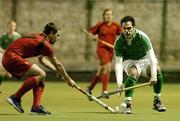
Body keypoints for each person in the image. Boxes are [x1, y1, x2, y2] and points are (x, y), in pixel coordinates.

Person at [2, 22, 76, 115]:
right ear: (51, 33)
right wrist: (68, 79)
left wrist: (56, 71)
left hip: (9, 57)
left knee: (41, 76)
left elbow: (42, 60)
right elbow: (58, 64)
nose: (58, 38)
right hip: (11, 58)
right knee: (41, 74)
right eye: (57, 35)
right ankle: (15, 98)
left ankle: (36, 107)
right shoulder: (45, 44)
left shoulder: (40, 38)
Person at [114, 16, 166, 114]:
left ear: (133, 27)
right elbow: (118, 63)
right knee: (133, 73)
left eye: (129, 28)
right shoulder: (119, 42)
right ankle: (127, 104)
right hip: (129, 61)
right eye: (124, 28)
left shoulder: (142, 37)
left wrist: (154, 76)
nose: (126, 31)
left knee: (158, 70)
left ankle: (157, 101)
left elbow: (152, 57)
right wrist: (119, 83)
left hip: (144, 59)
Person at [86, 8, 122, 99]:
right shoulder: (100, 25)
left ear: (112, 16)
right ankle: (104, 91)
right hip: (102, 49)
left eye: (110, 14)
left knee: (101, 70)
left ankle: (89, 88)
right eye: (107, 14)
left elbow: (122, 36)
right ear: (104, 16)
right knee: (108, 68)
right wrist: (93, 37)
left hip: (111, 51)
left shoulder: (116, 26)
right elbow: (90, 32)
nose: (108, 16)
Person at [0, 20, 21, 86]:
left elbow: (21, 47)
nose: (11, 27)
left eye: (13, 26)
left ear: (15, 27)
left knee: (5, 74)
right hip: (3, 54)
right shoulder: (3, 36)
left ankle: (7, 71)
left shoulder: (18, 36)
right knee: (2, 71)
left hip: (13, 56)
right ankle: (4, 70)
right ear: (8, 27)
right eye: (10, 26)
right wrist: (4, 51)